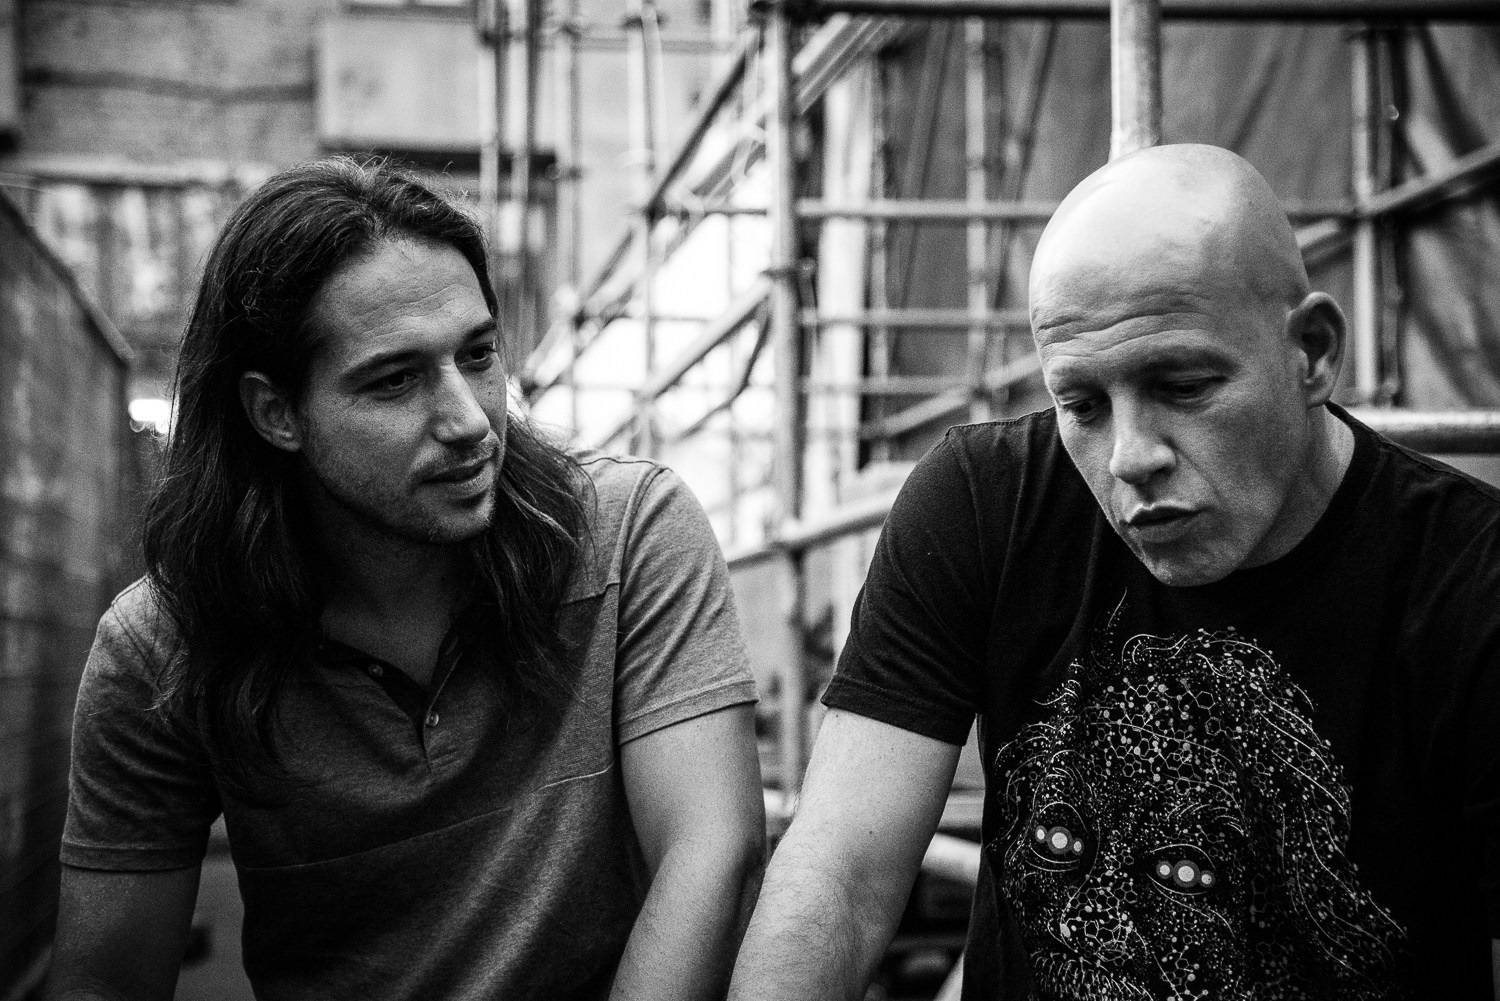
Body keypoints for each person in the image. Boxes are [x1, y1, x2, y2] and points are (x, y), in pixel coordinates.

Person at [729, 143, 1500, 1000]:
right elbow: (838, 876)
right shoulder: (985, 505)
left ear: (1312, 353)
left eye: (1184, 385)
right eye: (1082, 404)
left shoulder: (1470, 585)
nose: (1131, 456)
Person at [51, 157, 764, 1001]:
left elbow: (711, 851)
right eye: (395, 380)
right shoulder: (163, 646)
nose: (469, 420)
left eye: (478, 354)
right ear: (275, 412)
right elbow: (104, 983)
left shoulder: (628, 534)